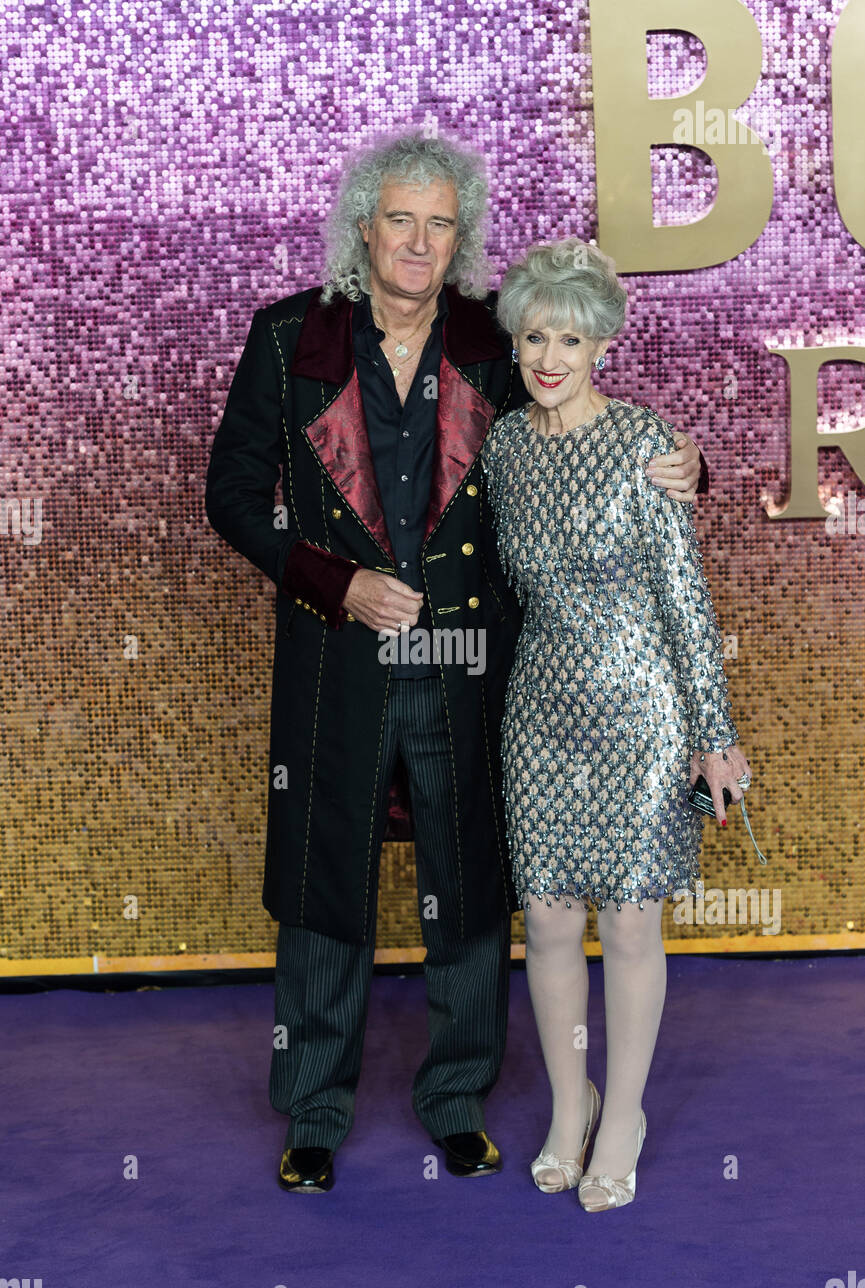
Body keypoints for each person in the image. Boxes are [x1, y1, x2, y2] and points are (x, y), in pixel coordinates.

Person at [205, 133, 707, 1193]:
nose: (420, 241)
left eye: (441, 222)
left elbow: (587, 438)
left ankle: (456, 1098)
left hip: (476, 664)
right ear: (363, 225)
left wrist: (685, 467)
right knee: (322, 880)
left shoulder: (495, 338)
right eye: (401, 219)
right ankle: (313, 1111)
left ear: (459, 234)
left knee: (469, 886)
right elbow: (233, 497)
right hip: (340, 656)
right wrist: (333, 581)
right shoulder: (289, 335)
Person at [480, 238, 751, 1210]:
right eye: (532, 335)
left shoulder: (645, 444)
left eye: (569, 336)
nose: (548, 356)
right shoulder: (504, 446)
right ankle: (568, 1105)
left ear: (602, 344)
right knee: (548, 921)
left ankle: (623, 1114)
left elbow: (685, 601)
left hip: (641, 714)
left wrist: (711, 736)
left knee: (631, 920)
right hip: (539, 709)